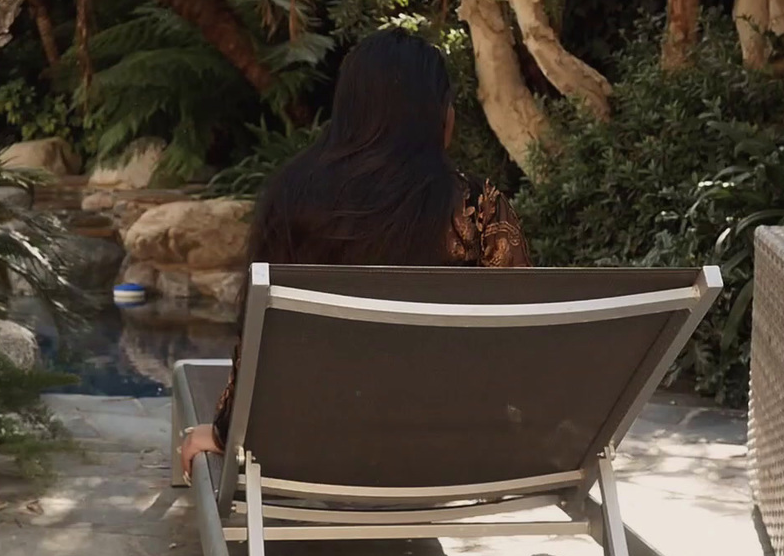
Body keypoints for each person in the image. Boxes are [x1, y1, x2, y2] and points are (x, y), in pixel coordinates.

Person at [178, 28, 533, 480]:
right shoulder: (480, 210)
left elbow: (260, 342)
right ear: (437, 117)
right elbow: (519, 344)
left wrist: (226, 432)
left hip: (307, 453)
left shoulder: (294, 196)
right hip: (449, 457)